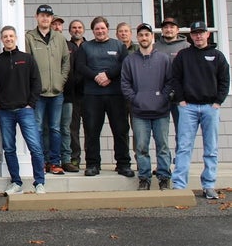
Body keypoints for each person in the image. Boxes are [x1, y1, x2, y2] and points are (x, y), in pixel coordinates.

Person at [171, 21, 230, 199]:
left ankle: (209, 185)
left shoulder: (217, 56)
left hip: (210, 108)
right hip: (187, 107)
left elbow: (225, 80)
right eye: (195, 33)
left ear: (207, 34)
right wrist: (181, 100)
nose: (198, 36)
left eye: (201, 32)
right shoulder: (183, 55)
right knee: (183, 147)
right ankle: (179, 186)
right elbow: (175, 79)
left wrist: (218, 102)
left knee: (211, 148)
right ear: (191, 36)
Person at [0, 26, 46, 195]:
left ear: (16, 38)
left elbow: (36, 83)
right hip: (4, 111)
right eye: (5, 36)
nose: (8, 39)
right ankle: (16, 182)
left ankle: (39, 182)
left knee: (35, 147)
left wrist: (31, 103)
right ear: (1, 39)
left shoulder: (27, 59)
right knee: (9, 148)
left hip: (25, 110)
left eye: (11, 36)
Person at [76, 16, 132, 177]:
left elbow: (125, 64)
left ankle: (123, 164)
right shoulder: (86, 47)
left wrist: (108, 75)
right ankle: (93, 164)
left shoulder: (119, 45)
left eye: (102, 28)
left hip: (115, 94)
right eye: (96, 29)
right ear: (92, 31)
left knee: (120, 130)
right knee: (92, 131)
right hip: (92, 95)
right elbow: (80, 66)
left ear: (107, 29)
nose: (100, 31)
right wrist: (96, 76)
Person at [120, 23, 173, 191]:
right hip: (139, 112)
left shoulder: (164, 59)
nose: (144, 38)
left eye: (147, 35)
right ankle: (144, 178)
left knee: (162, 146)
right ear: (138, 38)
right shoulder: (130, 60)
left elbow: (170, 82)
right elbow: (125, 84)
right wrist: (136, 99)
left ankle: (164, 177)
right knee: (141, 147)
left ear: (152, 37)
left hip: (161, 111)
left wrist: (163, 98)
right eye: (141, 35)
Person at [25, 5, 70, 175]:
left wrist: (61, 80)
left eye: (48, 16)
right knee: (37, 128)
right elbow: (28, 65)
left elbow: (66, 61)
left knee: (55, 128)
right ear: (36, 17)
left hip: (57, 92)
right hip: (38, 93)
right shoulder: (29, 37)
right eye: (42, 15)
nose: (45, 19)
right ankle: (41, 162)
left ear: (52, 19)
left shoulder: (59, 38)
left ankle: (55, 162)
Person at [152, 17, 189, 151]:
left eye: (172, 27)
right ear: (162, 30)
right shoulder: (155, 47)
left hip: (181, 97)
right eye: (166, 27)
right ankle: (163, 164)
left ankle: (180, 164)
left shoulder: (186, 47)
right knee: (161, 133)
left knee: (182, 131)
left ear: (177, 30)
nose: (168, 30)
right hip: (161, 96)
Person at [62, 19, 86, 171]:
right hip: (72, 94)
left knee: (91, 128)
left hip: (89, 94)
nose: (77, 30)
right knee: (72, 128)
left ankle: (92, 159)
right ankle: (74, 158)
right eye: (74, 28)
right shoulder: (66, 46)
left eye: (79, 27)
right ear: (70, 31)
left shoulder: (89, 46)